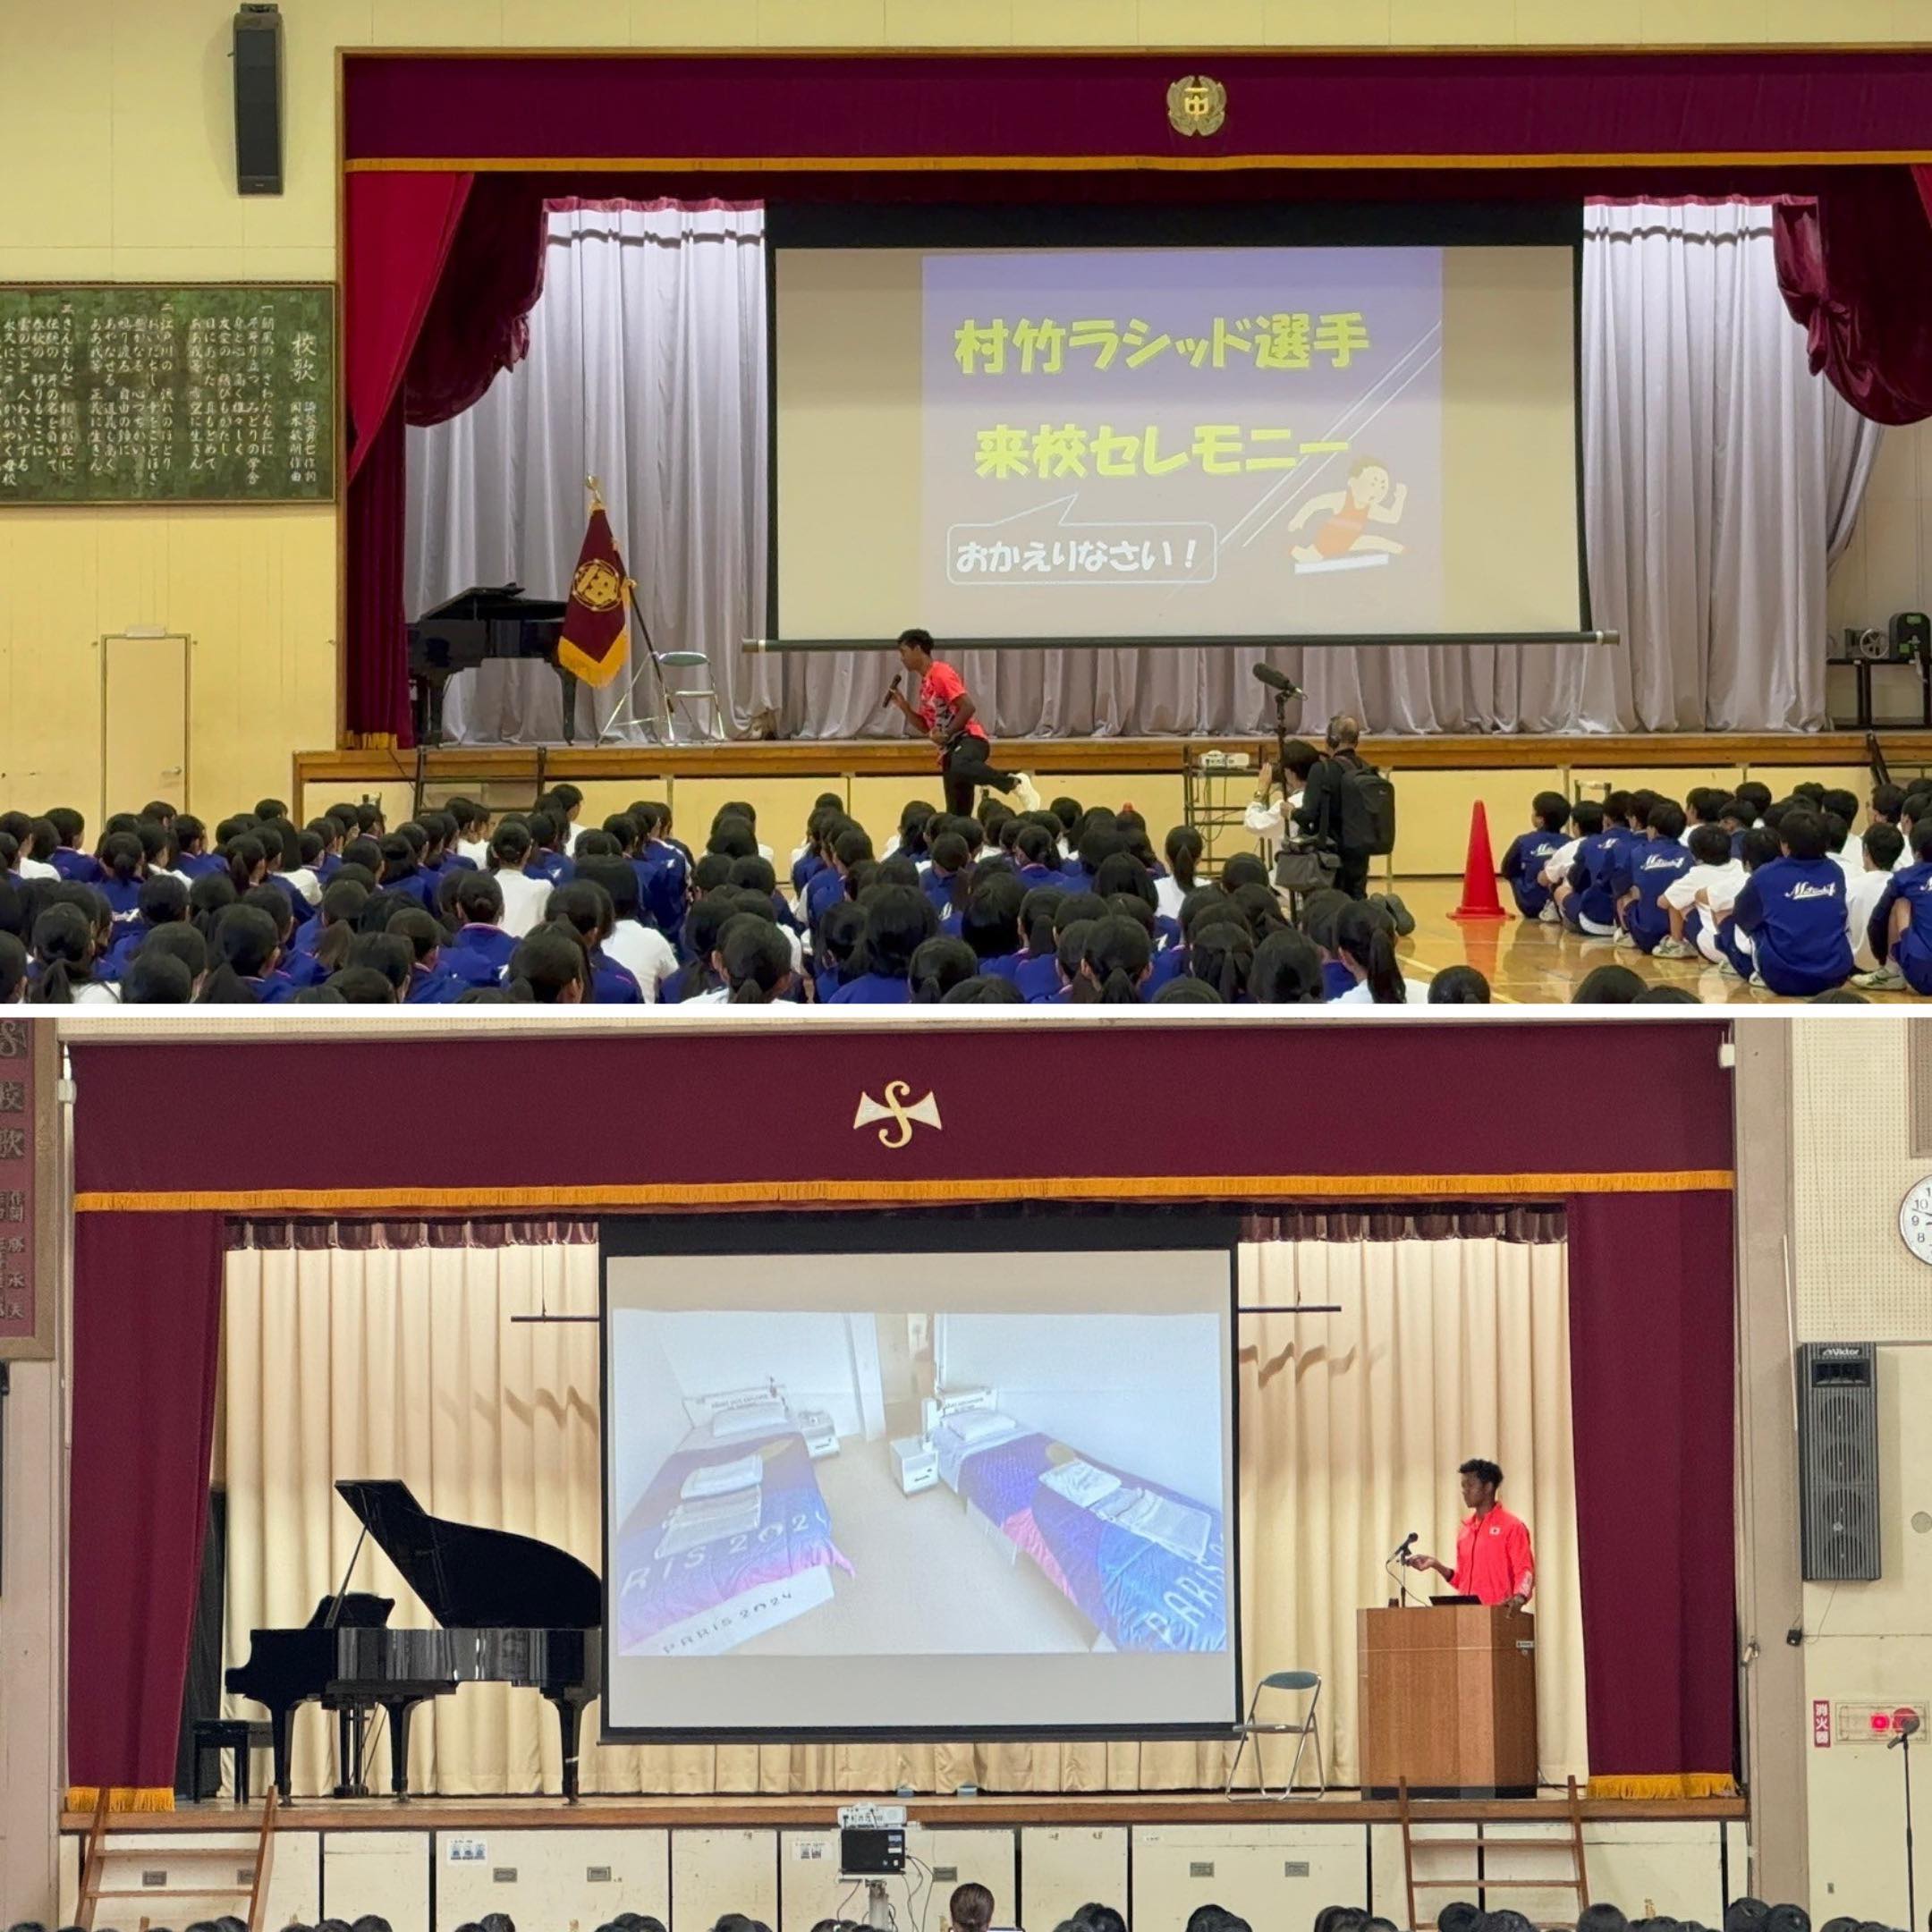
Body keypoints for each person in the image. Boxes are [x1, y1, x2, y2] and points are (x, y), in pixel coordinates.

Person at [884, 628, 1021, 818]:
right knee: (957, 813)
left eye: (903, 652)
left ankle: (1012, 781)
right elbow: (927, 727)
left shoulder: (941, 673)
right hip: (950, 749)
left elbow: (967, 707)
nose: (902, 658)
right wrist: (904, 707)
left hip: (969, 739)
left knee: (960, 765)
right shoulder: (925, 685)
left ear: (917, 649)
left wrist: (946, 733)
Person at [1732, 806, 1852, 997]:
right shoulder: (1835, 871)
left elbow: (1741, 915)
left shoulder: (1765, 874)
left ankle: (1756, 972)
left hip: (1784, 978)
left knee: (1734, 928)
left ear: (1784, 845)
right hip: (1835, 974)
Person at [1403, 1457, 1535, 1610]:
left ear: (1488, 1487)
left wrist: (1519, 1597)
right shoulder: (1465, 1531)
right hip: (1467, 1617)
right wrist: (1436, 1565)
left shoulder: (1512, 1526)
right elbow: (1462, 1581)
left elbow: (1525, 1571)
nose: (1464, 1491)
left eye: (1470, 1485)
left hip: (1498, 1616)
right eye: (1463, 1486)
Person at [1293, 716, 1379, 902]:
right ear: (1356, 740)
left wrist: (1290, 812)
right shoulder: (1367, 769)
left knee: (1329, 904)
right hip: (1359, 852)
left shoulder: (1321, 770)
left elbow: (1307, 816)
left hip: (1330, 853)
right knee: (1357, 900)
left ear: (1331, 740)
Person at [1498, 792, 1572, 921]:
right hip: (1560, 902)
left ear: (1540, 819)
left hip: (1530, 905)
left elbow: (1506, 870)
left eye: (1534, 812)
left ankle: (1533, 893)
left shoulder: (1524, 841)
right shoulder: (1570, 842)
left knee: (1514, 874)